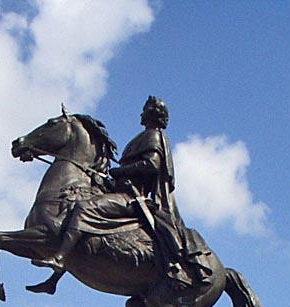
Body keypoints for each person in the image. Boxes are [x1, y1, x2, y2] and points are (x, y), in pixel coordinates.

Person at [29, 95, 212, 296]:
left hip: (134, 197)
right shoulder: (141, 138)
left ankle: (60, 258)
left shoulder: (153, 136)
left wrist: (120, 172)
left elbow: (152, 165)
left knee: (84, 208)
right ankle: (53, 280)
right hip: (122, 190)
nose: (141, 113)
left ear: (152, 114)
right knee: (71, 214)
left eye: (144, 110)